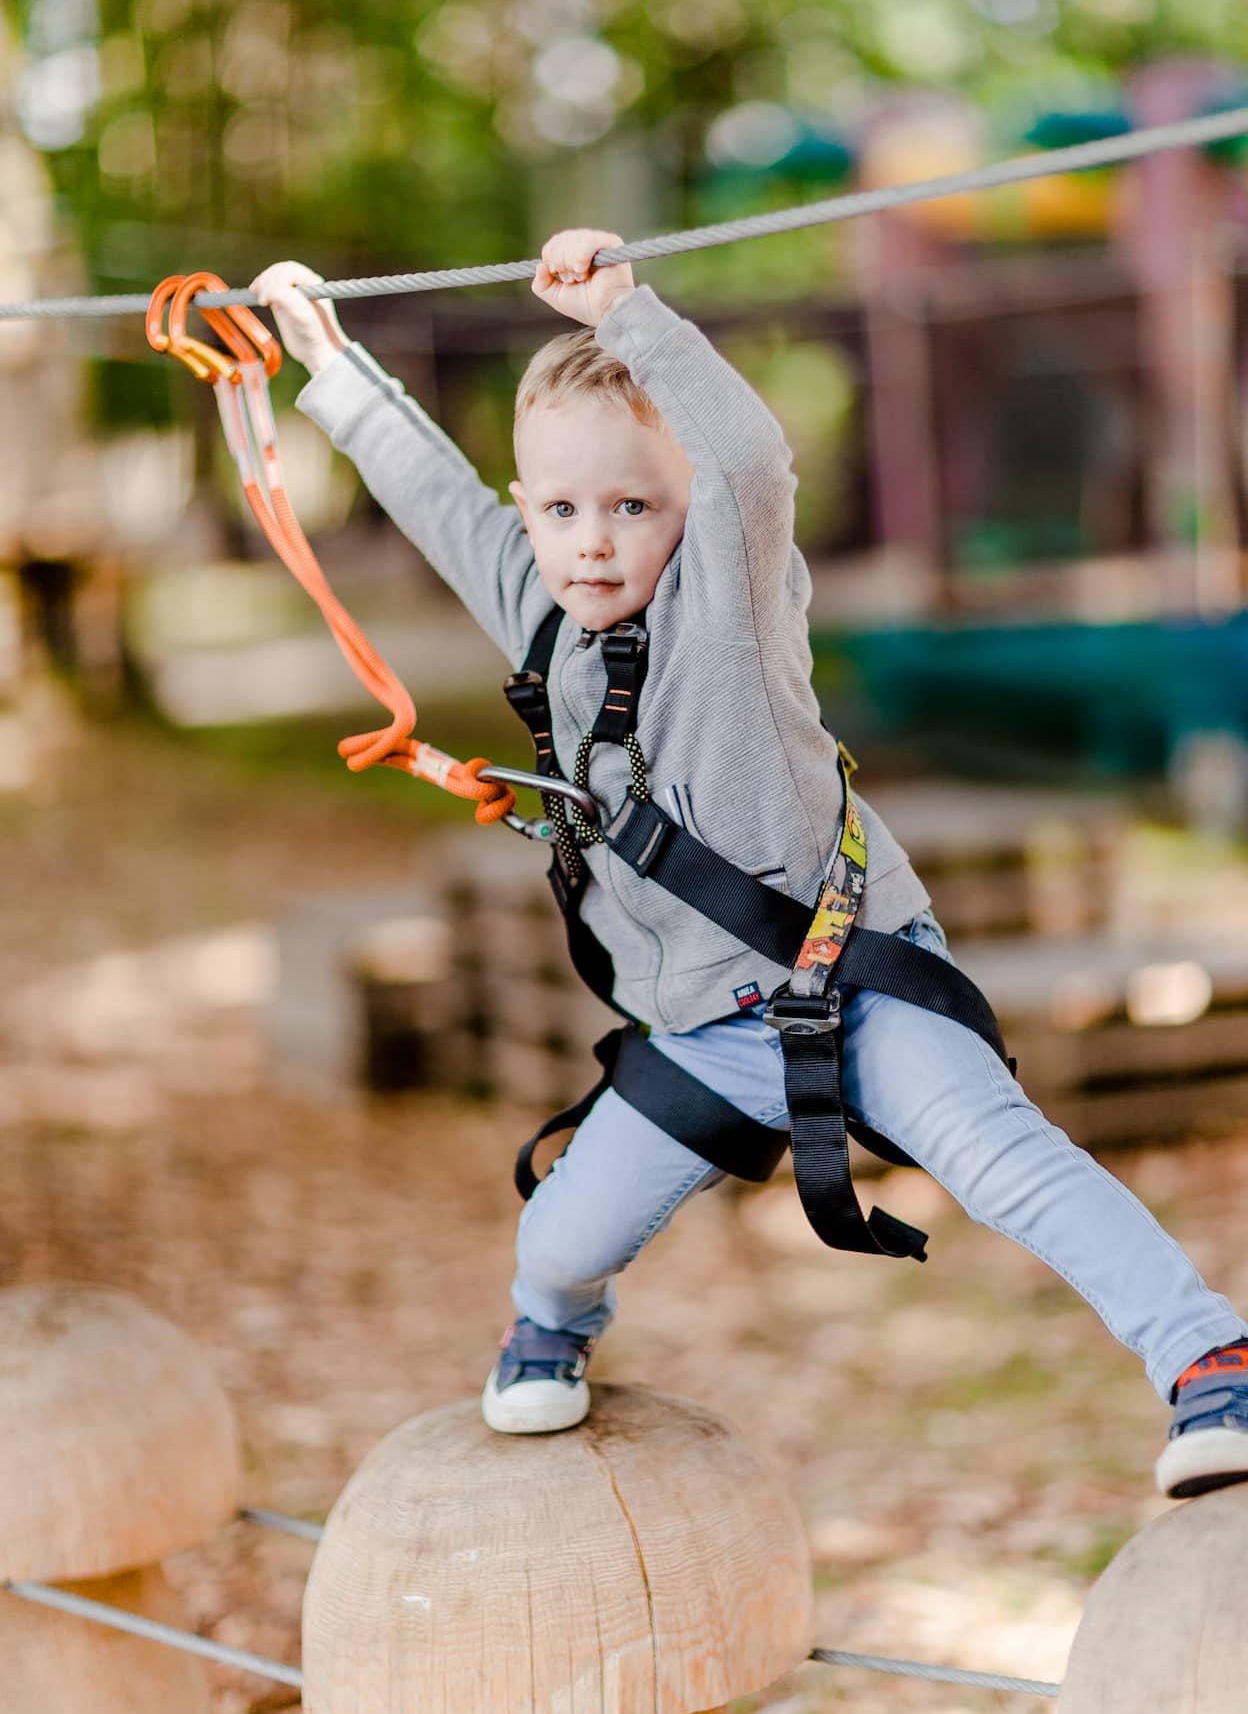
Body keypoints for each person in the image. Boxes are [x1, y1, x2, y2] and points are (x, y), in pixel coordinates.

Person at [252, 231, 1248, 1498]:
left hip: (854, 983)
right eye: (562, 510)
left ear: (692, 512)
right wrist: (328, 366)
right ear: (531, 517)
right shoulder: (545, 608)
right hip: (699, 1035)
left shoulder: (731, 608)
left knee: (1007, 1160)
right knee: (560, 1238)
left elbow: (749, 459)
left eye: (633, 506)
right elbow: (436, 495)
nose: (596, 542)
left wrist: (629, 314)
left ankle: (1208, 1357)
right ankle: (550, 1334)